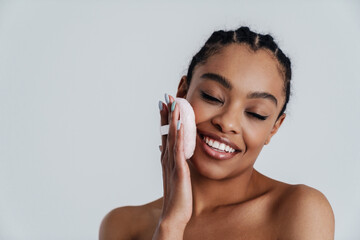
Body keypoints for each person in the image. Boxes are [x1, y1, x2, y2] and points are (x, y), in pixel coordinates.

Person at [99, 26, 335, 240]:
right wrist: (171, 225)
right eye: (212, 97)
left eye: (256, 113)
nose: (227, 123)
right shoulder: (123, 226)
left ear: (273, 128)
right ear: (182, 93)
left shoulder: (300, 210)